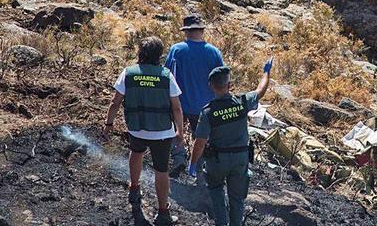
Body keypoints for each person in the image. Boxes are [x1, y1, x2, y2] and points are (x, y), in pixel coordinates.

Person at [104, 36, 183, 226]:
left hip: (137, 128)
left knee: (136, 153)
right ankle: (163, 212)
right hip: (162, 132)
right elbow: (177, 108)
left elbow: (115, 102)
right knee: (161, 171)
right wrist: (179, 131)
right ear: (159, 55)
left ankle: (134, 188)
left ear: (140, 52)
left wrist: (108, 124)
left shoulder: (128, 73)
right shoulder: (166, 75)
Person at [187, 57, 273, 226]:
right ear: (229, 85)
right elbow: (261, 90)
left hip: (217, 162)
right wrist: (266, 71)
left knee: (216, 191)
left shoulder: (208, 112)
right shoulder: (242, 102)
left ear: (210, 86)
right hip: (240, 160)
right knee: (237, 198)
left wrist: (193, 163)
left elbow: (200, 142)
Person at [165, 13, 225, 175]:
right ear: (201, 30)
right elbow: (223, 80)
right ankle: (200, 167)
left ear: (186, 31)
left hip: (180, 104)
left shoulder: (176, 50)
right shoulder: (214, 52)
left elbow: (167, 74)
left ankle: (179, 159)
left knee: (175, 132)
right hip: (206, 106)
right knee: (203, 138)